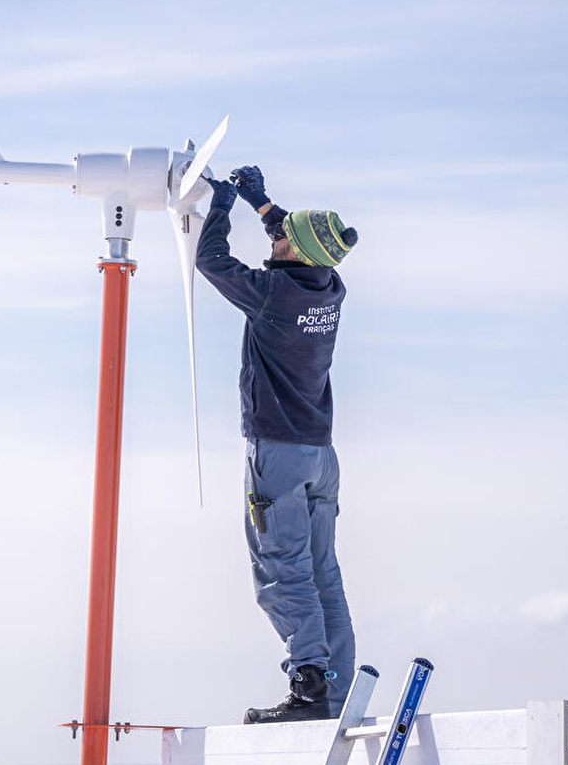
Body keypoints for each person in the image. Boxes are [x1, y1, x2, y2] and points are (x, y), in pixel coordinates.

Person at [195, 164, 360, 724]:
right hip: (320, 454)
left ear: (295, 251)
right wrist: (260, 202)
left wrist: (220, 206)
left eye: (282, 233)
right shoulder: (329, 287)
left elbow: (210, 262)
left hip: (279, 455)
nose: (277, 232)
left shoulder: (273, 295)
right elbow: (295, 237)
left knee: (282, 574)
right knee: (322, 573)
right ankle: (334, 695)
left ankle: (309, 686)